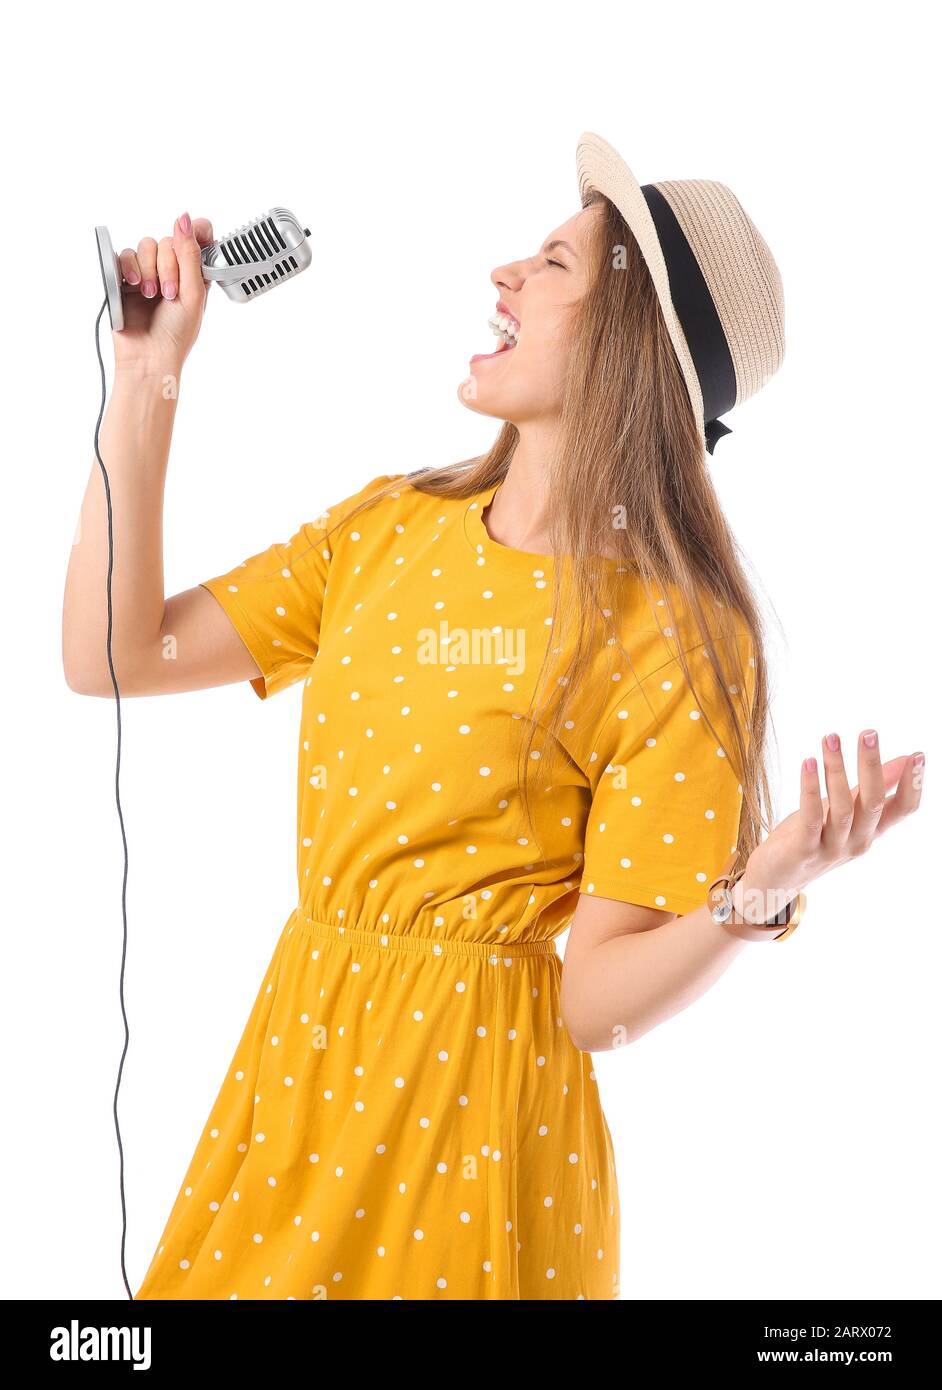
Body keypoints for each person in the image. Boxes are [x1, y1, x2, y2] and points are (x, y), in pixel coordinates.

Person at [62, 134, 924, 1301]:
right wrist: (146, 374)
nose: (504, 274)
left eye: (555, 265)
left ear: (631, 342)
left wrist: (761, 887)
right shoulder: (387, 530)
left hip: (473, 1124)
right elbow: (114, 655)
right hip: (299, 1076)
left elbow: (596, 1002)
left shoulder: (675, 633)